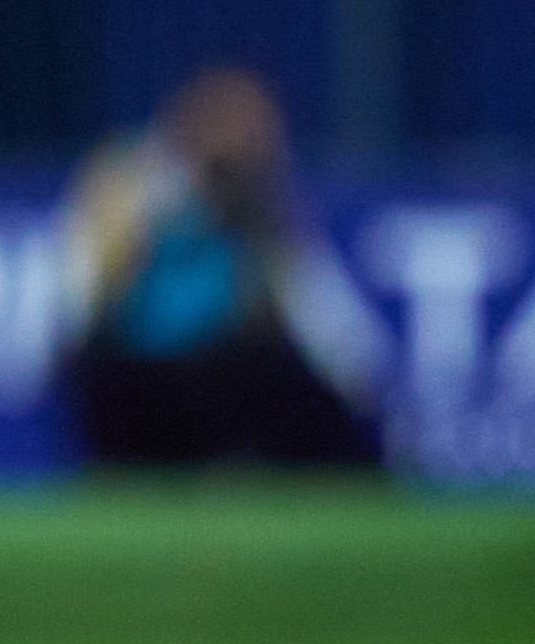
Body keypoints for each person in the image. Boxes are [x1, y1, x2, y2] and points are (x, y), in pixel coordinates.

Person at [57, 66, 375, 469]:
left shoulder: (264, 212)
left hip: (222, 376)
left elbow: (326, 322)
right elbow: (75, 297)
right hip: (134, 377)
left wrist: (361, 386)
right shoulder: (128, 188)